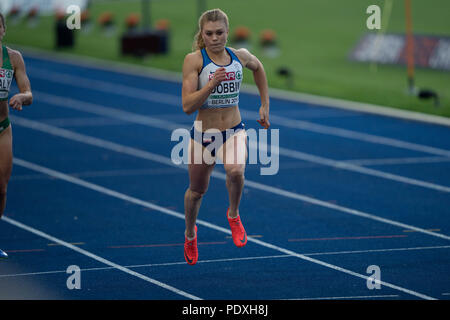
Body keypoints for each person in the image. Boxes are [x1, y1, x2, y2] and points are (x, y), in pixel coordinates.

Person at [182, 8, 270, 265]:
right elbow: (187, 106)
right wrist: (210, 85)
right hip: (203, 135)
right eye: (209, 33)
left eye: (220, 32)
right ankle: (190, 234)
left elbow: (259, 67)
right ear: (203, 34)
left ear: (227, 32)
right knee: (197, 192)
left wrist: (264, 105)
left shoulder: (238, 56)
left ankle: (233, 214)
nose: (215, 38)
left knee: (235, 171)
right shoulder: (194, 61)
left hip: (234, 130)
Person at [0, 12, 33, 259]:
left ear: (3, 30)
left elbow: (28, 92)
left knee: (1, 188)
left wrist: (22, 97)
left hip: (2, 128)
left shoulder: (13, 58)